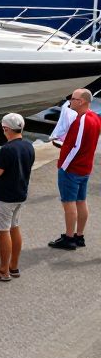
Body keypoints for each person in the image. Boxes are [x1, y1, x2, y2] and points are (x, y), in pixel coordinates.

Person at [0, 113, 34, 280]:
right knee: (14, 228)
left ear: (6, 129)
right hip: (20, 194)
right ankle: (14, 266)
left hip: (4, 197)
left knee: (3, 232)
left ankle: (3, 271)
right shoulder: (28, 146)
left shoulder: (7, 149)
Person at [49, 87, 100, 250]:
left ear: (82, 101)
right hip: (85, 167)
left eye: (73, 99)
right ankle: (79, 236)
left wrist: (64, 165)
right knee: (81, 201)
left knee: (68, 203)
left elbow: (76, 146)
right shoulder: (96, 118)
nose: (70, 101)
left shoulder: (81, 120)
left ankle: (69, 238)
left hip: (72, 168)